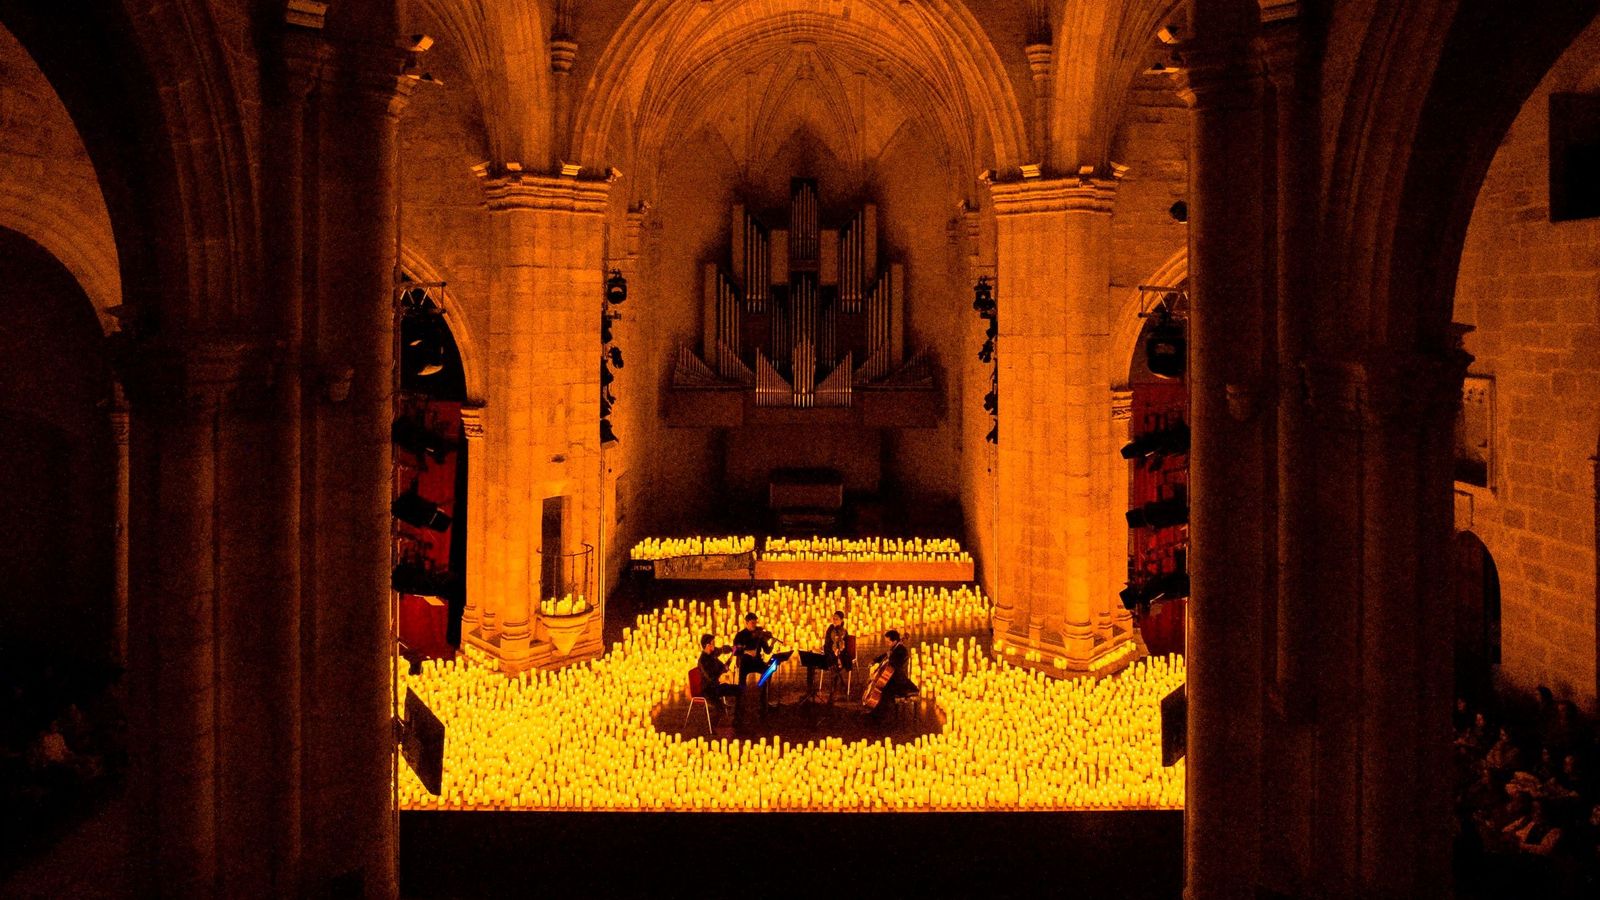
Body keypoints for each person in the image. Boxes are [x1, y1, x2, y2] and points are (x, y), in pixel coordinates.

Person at [866, 630, 918, 719]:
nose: (886, 644)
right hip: (893, 676)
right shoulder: (894, 648)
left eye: (888, 642)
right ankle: (877, 711)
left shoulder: (902, 651)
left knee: (884, 689)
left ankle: (879, 714)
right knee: (881, 686)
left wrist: (890, 658)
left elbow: (896, 665)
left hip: (899, 680)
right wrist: (875, 661)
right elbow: (885, 655)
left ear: (894, 641)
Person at [733, 613, 773, 712]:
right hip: (745, 662)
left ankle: (764, 698)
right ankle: (740, 703)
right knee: (741, 682)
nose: (754, 625)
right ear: (746, 623)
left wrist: (772, 643)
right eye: (752, 623)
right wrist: (746, 651)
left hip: (757, 661)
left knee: (768, 672)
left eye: (755, 622)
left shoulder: (760, 634)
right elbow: (734, 651)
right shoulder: (740, 635)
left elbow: (767, 650)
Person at [696, 634, 741, 719]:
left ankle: (738, 716)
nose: (715, 645)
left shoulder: (712, 653)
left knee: (738, 690)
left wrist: (732, 649)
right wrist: (723, 671)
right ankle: (713, 727)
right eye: (713, 643)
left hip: (716, 687)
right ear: (708, 645)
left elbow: (722, 650)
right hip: (709, 690)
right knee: (721, 710)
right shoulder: (702, 661)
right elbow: (711, 678)